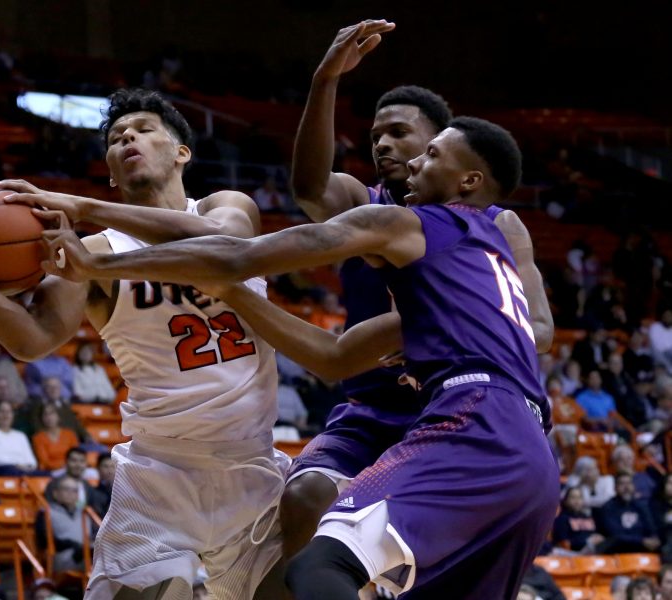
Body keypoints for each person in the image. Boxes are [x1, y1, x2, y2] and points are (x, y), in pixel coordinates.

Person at [50, 115, 560, 598]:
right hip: (535, 461)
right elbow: (334, 357)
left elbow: (240, 254)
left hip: (473, 420)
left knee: (320, 565)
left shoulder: (409, 222)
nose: (412, 164)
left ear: (468, 181)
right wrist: (236, 295)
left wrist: (98, 259)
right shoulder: (487, 265)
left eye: (429, 154)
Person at [0, 88, 288, 599]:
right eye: (116, 138)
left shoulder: (226, 207)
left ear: (182, 152)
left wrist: (85, 205)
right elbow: (31, 339)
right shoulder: (92, 252)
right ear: (112, 173)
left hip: (254, 464)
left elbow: (218, 246)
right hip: (160, 476)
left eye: (142, 128)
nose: (127, 138)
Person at [282, 19, 554, 561]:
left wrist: (434, 327)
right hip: (375, 405)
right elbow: (309, 188)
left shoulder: (497, 223)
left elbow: (540, 330)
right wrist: (325, 81)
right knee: (306, 495)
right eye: (377, 134)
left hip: (460, 406)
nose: (383, 143)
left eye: (400, 133)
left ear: (442, 145)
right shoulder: (370, 205)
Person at [596, 473, 660, 554]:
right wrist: (641, 541)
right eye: (622, 483)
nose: (626, 487)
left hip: (641, 546)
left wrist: (654, 538)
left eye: (629, 483)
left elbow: (651, 528)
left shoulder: (641, 506)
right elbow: (615, 534)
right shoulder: (608, 507)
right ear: (615, 488)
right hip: (619, 548)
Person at [0, 400, 41, 476]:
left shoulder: (21, 435)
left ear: (13, 415)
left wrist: (23, 466)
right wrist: (17, 465)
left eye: (9, 412)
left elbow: (32, 462)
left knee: (47, 475)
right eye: (2, 411)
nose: (5, 415)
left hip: (22, 471)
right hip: (1, 471)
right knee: (11, 471)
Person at [552, 486, 603, 554]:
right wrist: (587, 541)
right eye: (573, 497)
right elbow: (563, 542)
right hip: (570, 554)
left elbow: (593, 534)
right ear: (565, 500)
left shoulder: (587, 517)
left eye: (579, 497)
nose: (577, 501)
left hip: (591, 551)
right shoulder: (561, 519)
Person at [32, 403, 80, 471]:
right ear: (42, 418)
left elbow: (76, 456)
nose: (49, 417)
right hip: (50, 471)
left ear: (58, 416)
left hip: (72, 469)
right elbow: (45, 462)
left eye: (52, 413)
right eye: (45, 414)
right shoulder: (38, 438)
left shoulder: (70, 434)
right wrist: (63, 466)